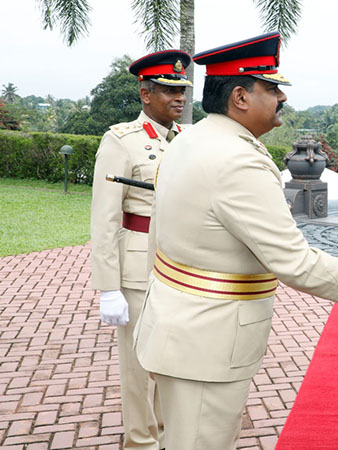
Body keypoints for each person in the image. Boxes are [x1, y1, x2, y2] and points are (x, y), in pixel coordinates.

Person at [132, 32, 338, 450]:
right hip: (207, 344)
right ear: (240, 97)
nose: (282, 97)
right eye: (272, 88)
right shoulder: (238, 159)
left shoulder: (190, 139)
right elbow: (294, 261)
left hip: (177, 328)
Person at [90, 49, 192, 450]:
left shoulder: (188, 139)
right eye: (169, 90)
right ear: (145, 94)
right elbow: (104, 219)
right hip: (137, 265)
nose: (179, 97)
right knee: (138, 365)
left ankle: (168, 437)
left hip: (179, 264)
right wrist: (107, 287)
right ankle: (140, 441)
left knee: (173, 359)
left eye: (182, 90)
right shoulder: (121, 141)